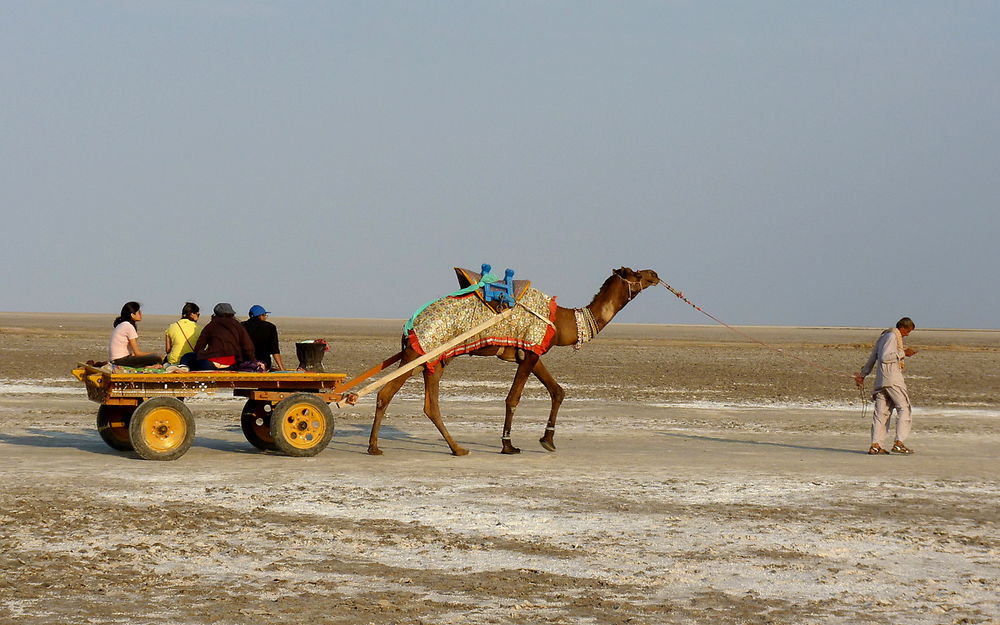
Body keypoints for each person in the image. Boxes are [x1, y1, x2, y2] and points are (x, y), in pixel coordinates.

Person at [854, 317, 918, 455]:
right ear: (902, 328)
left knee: (881, 414)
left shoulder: (883, 337)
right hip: (892, 379)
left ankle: (876, 445)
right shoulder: (892, 337)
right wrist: (904, 353)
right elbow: (884, 357)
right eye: (907, 331)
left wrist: (863, 374)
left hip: (881, 381)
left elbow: (873, 358)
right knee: (904, 408)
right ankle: (899, 443)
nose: (907, 335)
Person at [189, 303, 256, 371]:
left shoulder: (210, 325)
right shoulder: (238, 325)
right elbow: (248, 347)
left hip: (211, 362)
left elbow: (199, 346)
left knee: (187, 357)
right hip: (233, 362)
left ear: (216, 313)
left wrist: (197, 355)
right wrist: (252, 361)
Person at [108, 301, 162, 367]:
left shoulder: (122, 325)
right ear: (132, 315)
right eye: (139, 312)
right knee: (157, 359)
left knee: (150, 358)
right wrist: (154, 354)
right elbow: (137, 353)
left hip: (116, 359)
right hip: (119, 361)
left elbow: (133, 353)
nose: (141, 314)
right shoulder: (128, 326)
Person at [242, 304, 285, 371]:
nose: (265, 317)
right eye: (265, 315)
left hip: (244, 364)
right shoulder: (270, 327)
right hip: (263, 364)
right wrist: (282, 368)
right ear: (261, 316)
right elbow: (275, 350)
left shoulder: (241, 326)